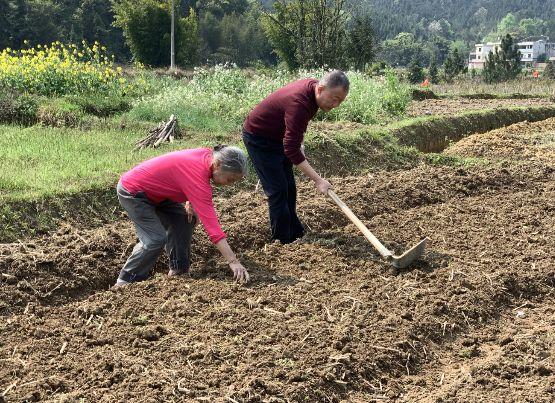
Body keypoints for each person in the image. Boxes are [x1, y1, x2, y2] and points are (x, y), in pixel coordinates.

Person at [113, 145, 250, 288]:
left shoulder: (208, 156)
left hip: (158, 193)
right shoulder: (199, 178)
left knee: (184, 220)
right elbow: (213, 229)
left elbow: (183, 172)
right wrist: (233, 261)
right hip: (134, 191)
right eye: (229, 179)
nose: (229, 185)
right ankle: (125, 281)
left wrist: (190, 201)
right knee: (154, 239)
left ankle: (178, 270)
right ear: (217, 164)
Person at [242, 70, 349, 244]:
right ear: (321, 89)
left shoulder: (313, 90)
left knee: (289, 188)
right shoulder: (300, 102)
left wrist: (299, 143)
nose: (336, 104)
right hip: (259, 138)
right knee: (277, 190)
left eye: (341, 101)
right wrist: (318, 180)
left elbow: (295, 130)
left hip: (278, 137)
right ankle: (282, 241)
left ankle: (295, 232)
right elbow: (291, 150)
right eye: (335, 98)